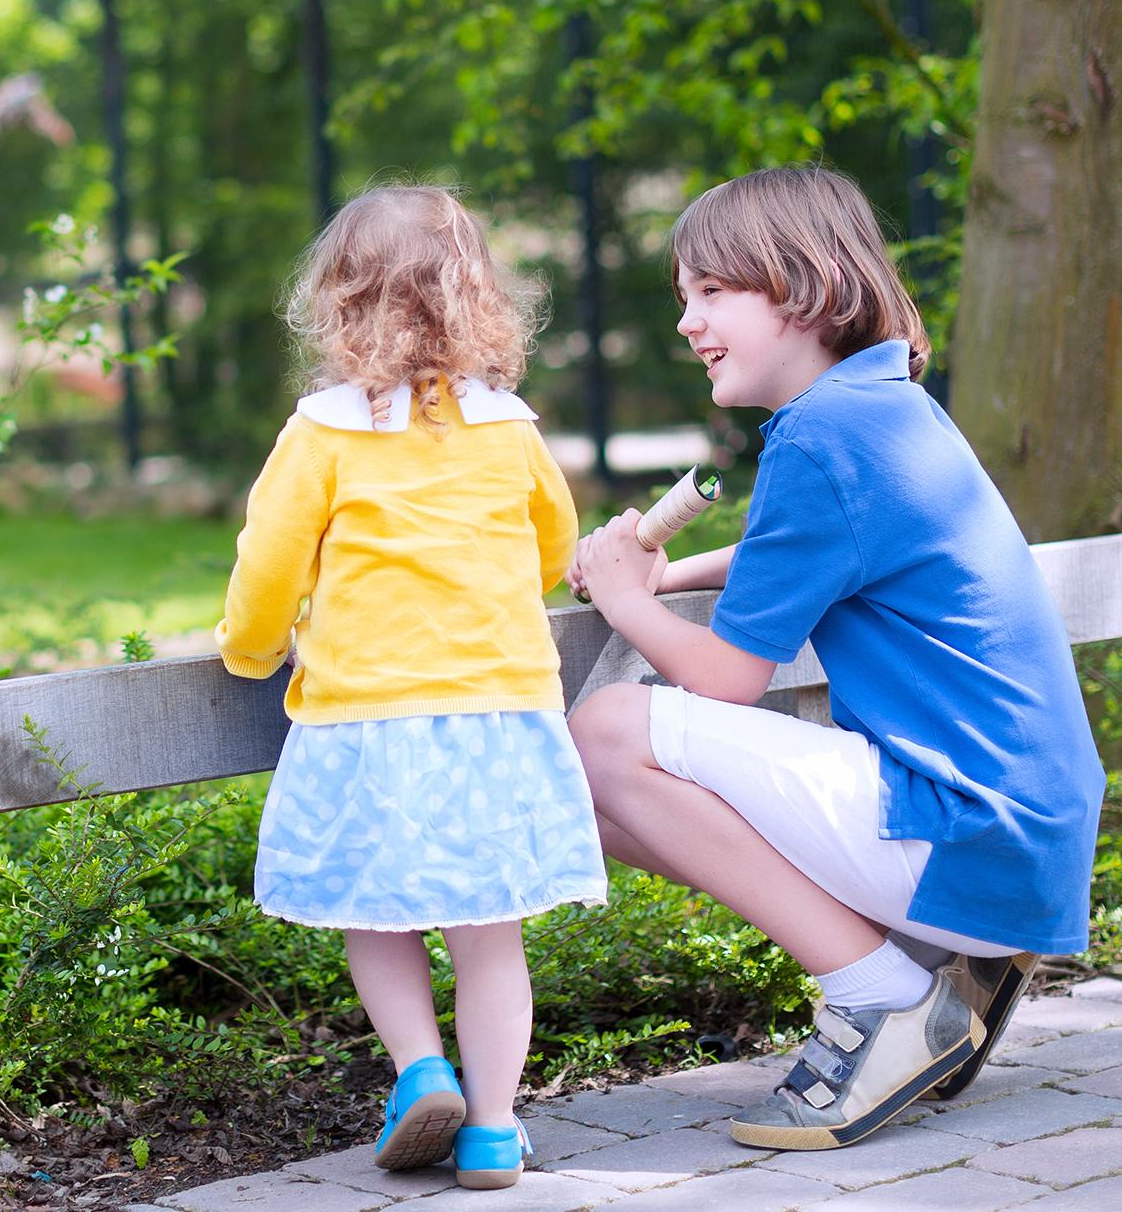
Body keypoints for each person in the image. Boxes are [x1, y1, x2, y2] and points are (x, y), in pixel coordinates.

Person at [570, 164, 1104, 1151]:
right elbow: (805, 545)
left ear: (806, 287)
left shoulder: (819, 438)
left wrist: (624, 596)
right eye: (684, 296)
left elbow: (726, 677)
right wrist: (668, 571)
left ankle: (884, 995)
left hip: (965, 826)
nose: (688, 320)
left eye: (712, 290)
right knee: (602, 802)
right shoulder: (883, 408)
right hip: (1022, 840)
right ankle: (941, 967)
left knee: (602, 734)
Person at [215, 184, 605, 1190]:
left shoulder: (321, 433)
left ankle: (421, 1068)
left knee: (376, 914)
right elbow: (554, 544)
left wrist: (250, 650)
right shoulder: (508, 427)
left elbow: (267, 570)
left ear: (340, 303)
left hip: (366, 718)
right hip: (497, 715)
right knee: (491, 938)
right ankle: (493, 1129)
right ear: (477, 299)